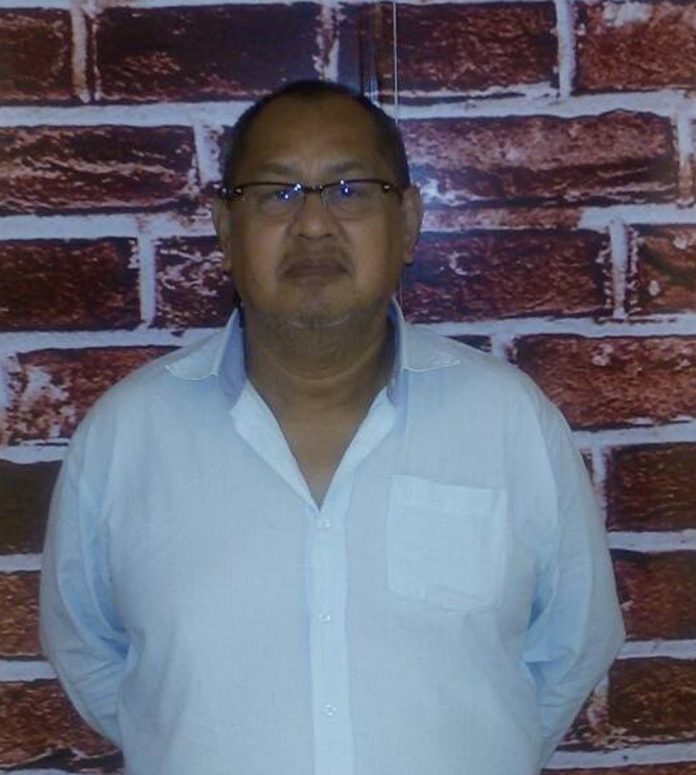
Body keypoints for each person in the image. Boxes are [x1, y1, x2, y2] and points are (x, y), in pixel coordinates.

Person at [40, 80, 625, 775]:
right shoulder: (127, 436)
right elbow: (89, 654)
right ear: (225, 227)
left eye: (350, 191)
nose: (314, 225)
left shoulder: (507, 421)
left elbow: (573, 646)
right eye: (276, 193)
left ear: (407, 221)